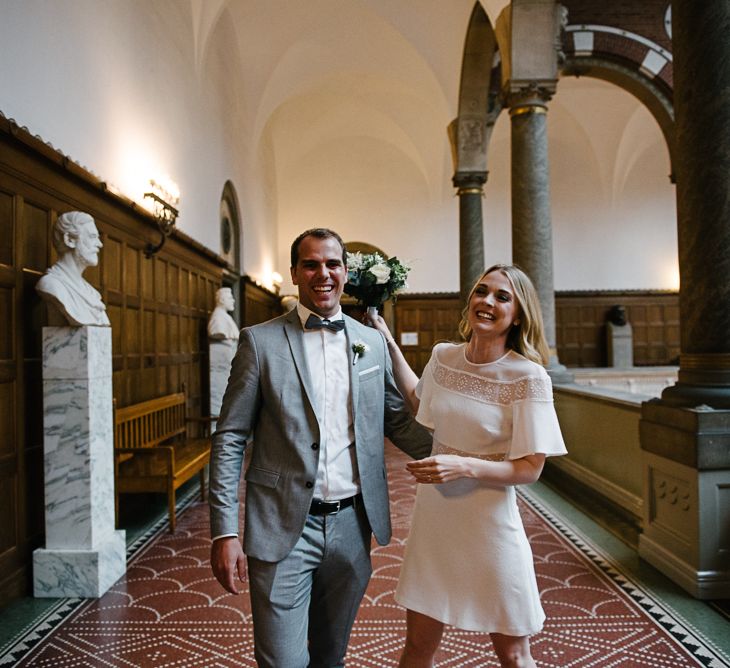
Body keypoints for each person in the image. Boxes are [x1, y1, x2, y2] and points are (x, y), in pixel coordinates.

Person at [208, 228, 432, 668]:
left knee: (330, 657)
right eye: (310, 264)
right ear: (294, 273)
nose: (322, 274)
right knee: (283, 662)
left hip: (353, 526)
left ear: (346, 273)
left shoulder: (370, 344)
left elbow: (397, 420)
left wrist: (459, 456)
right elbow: (231, 435)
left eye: (332, 264)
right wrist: (224, 530)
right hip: (281, 524)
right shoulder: (260, 341)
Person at [367, 263, 567, 668]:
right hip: (436, 520)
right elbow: (420, 401)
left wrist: (464, 467)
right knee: (418, 649)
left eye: (502, 296)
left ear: (518, 314)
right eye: (481, 291)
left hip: (491, 525)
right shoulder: (444, 356)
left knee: (513, 652)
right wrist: (388, 341)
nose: (487, 301)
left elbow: (531, 468)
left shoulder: (529, 377)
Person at [35, 211, 110, 326]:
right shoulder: (51, 285)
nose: (100, 244)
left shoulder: (91, 293)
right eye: (92, 237)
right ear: (69, 240)